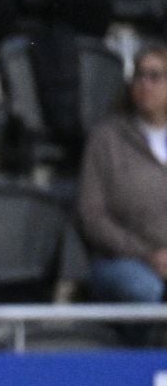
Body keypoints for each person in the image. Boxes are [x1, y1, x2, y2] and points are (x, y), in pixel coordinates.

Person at [78, 45, 167, 304]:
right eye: (139, 76)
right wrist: (147, 254)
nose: (144, 83)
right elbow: (92, 216)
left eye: (155, 76)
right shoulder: (106, 140)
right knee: (142, 288)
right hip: (121, 261)